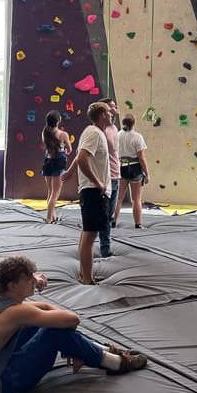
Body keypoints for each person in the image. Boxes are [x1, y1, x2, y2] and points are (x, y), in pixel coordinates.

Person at [0, 255, 147, 393]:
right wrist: (69, 340)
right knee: (55, 332)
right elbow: (72, 319)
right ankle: (114, 362)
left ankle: (94, 350)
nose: (33, 281)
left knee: (43, 323)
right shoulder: (15, 312)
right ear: (12, 285)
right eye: (28, 278)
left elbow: (43, 307)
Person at [60, 102, 111, 284]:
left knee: (88, 233)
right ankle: (87, 278)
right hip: (93, 190)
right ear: (102, 115)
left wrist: (71, 171)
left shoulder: (95, 132)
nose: (112, 115)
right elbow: (82, 158)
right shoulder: (93, 133)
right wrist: (98, 183)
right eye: (109, 112)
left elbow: (79, 155)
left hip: (93, 189)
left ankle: (85, 274)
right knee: (90, 235)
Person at [112, 113, 149, 229]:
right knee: (136, 198)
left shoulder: (117, 135)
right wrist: (147, 173)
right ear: (134, 124)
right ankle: (138, 224)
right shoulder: (137, 137)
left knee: (119, 197)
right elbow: (141, 158)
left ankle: (113, 221)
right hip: (134, 168)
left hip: (121, 167)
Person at [95, 98, 121, 257]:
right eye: (111, 107)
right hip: (106, 176)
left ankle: (104, 242)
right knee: (104, 214)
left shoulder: (114, 128)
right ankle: (105, 247)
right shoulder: (99, 130)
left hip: (115, 173)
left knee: (109, 214)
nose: (115, 109)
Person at [41, 110, 71, 224]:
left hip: (48, 161)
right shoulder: (63, 134)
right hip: (58, 161)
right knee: (55, 193)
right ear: (58, 121)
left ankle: (53, 216)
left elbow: (47, 147)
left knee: (50, 191)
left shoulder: (44, 132)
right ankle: (49, 217)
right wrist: (65, 152)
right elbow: (69, 149)